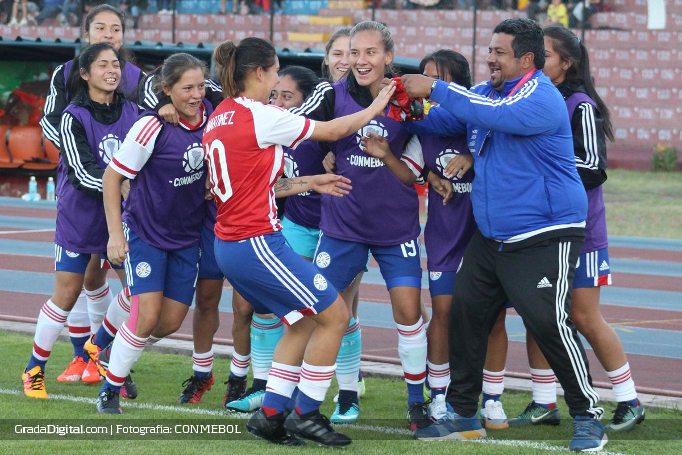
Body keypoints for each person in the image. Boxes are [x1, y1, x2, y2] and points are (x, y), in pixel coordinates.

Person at [400, 18, 606, 452]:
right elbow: (443, 121)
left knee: (548, 322)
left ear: (526, 60)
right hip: (492, 235)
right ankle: (462, 414)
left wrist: (434, 88)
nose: (489, 58)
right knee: (466, 317)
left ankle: (587, 415)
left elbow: (497, 116)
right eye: (489, 50)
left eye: (499, 52)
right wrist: (397, 108)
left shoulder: (540, 97)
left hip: (545, 233)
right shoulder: (485, 92)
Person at [203, 37, 395, 446]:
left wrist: (310, 181)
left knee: (304, 318)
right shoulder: (262, 115)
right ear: (259, 73)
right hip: (255, 242)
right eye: (274, 73)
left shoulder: (221, 113)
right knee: (336, 315)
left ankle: (271, 414)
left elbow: (254, 186)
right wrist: (378, 106)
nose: (275, 82)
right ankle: (306, 412)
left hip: (235, 243)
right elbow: (334, 128)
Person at [291, 21, 430, 430]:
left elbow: (433, 141)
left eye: (370, 52)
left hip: (395, 226)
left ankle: (416, 402)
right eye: (354, 52)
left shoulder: (407, 96)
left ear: (388, 56)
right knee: (320, 311)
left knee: (408, 313)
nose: (360, 60)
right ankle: (305, 402)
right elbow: (293, 127)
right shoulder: (330, 96)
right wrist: (326, 158)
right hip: (341, 226)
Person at [509, 24, 644, 433]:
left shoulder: (579, 105)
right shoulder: (525, 98)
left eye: (545, 55)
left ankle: (629, 400)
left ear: (566, 62)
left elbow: (592, 169)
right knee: (539, 315)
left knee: (584, 317)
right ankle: (543, 401)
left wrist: (535, 178)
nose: (537, 61)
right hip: (539, 232)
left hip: (579, 233)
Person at [362, 49, 479, 424]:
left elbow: (506, 151)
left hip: (484, 232)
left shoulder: (481, 116)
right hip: (444, 233)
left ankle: (491, 396)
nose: (423, 87)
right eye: (422, 78)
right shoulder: (419, 124)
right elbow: (412, 170)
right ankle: (438, 395)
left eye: (435, 80)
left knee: (487, 319)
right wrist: (430, 175)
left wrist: (474, 159)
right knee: (442, 313)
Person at [96, 52, 215, 414]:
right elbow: (112, 178)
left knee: (168, 323)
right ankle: (109, 391)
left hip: (186, 238)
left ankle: (105, 350)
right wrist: (116, 235)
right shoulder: (152, 126)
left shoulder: (213, 119)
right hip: (145, 233)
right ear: (167, 90)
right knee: (145, 316)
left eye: (200, 86)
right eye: (186, 88)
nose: (195, 95)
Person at [21, 43, 140, 399]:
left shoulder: (134, 111)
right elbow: (82, 171)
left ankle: (99, 346)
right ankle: (34, 370)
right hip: (81, 216)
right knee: (66, 296)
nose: (111, 70)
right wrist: (124, 186)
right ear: (84, 74)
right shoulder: (73, 115)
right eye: (102, 64)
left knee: (139, 292)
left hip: (121, 217)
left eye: (115, 64)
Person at [222, 65, 322, 413]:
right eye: (275, 92)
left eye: (287, 96)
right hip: (278, 227)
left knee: (334, 314)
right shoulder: (263, 123)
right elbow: (271, 186)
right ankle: (268, 391)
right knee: (265, 309)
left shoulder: (307, 131)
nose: (278, 100)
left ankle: (339, 391)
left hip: (333, 229)